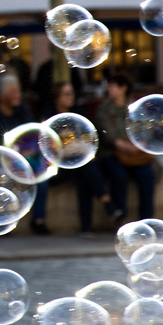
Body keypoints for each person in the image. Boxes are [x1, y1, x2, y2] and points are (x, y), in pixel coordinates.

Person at [0, 73, 49, 234]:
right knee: (1, 178)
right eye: (13, 92)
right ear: (2, 95)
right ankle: (0, 221)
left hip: (21, 159)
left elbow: (30, 133)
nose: (17, 95)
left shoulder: (23, 110)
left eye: (18, 91)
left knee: (42, 175)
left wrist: (26, 149)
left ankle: (38, 220)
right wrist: (12, 148)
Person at [53, 81, 110, 237]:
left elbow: (89, 140)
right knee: (85, 167)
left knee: (84, 173)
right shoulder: (50, 116)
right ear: (57, 97)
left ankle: (87, 228)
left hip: (77, 163)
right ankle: (106, 200)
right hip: (58, 167)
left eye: (72, 93)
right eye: (66, 94)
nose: (71, 97)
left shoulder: (78, 113)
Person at [97, 73, 156, 222]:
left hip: (135, 154)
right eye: (108, 86)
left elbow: (146, 129)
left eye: (112, 86)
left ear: (123, 88)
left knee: (147, 175)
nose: (109, 89)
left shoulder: (135, 107)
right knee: (119, 176)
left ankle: (146, 219)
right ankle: (120, 216)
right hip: (112, 153)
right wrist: (123, 145)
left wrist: (139, 145)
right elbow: (106, 132)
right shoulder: (104, 108)